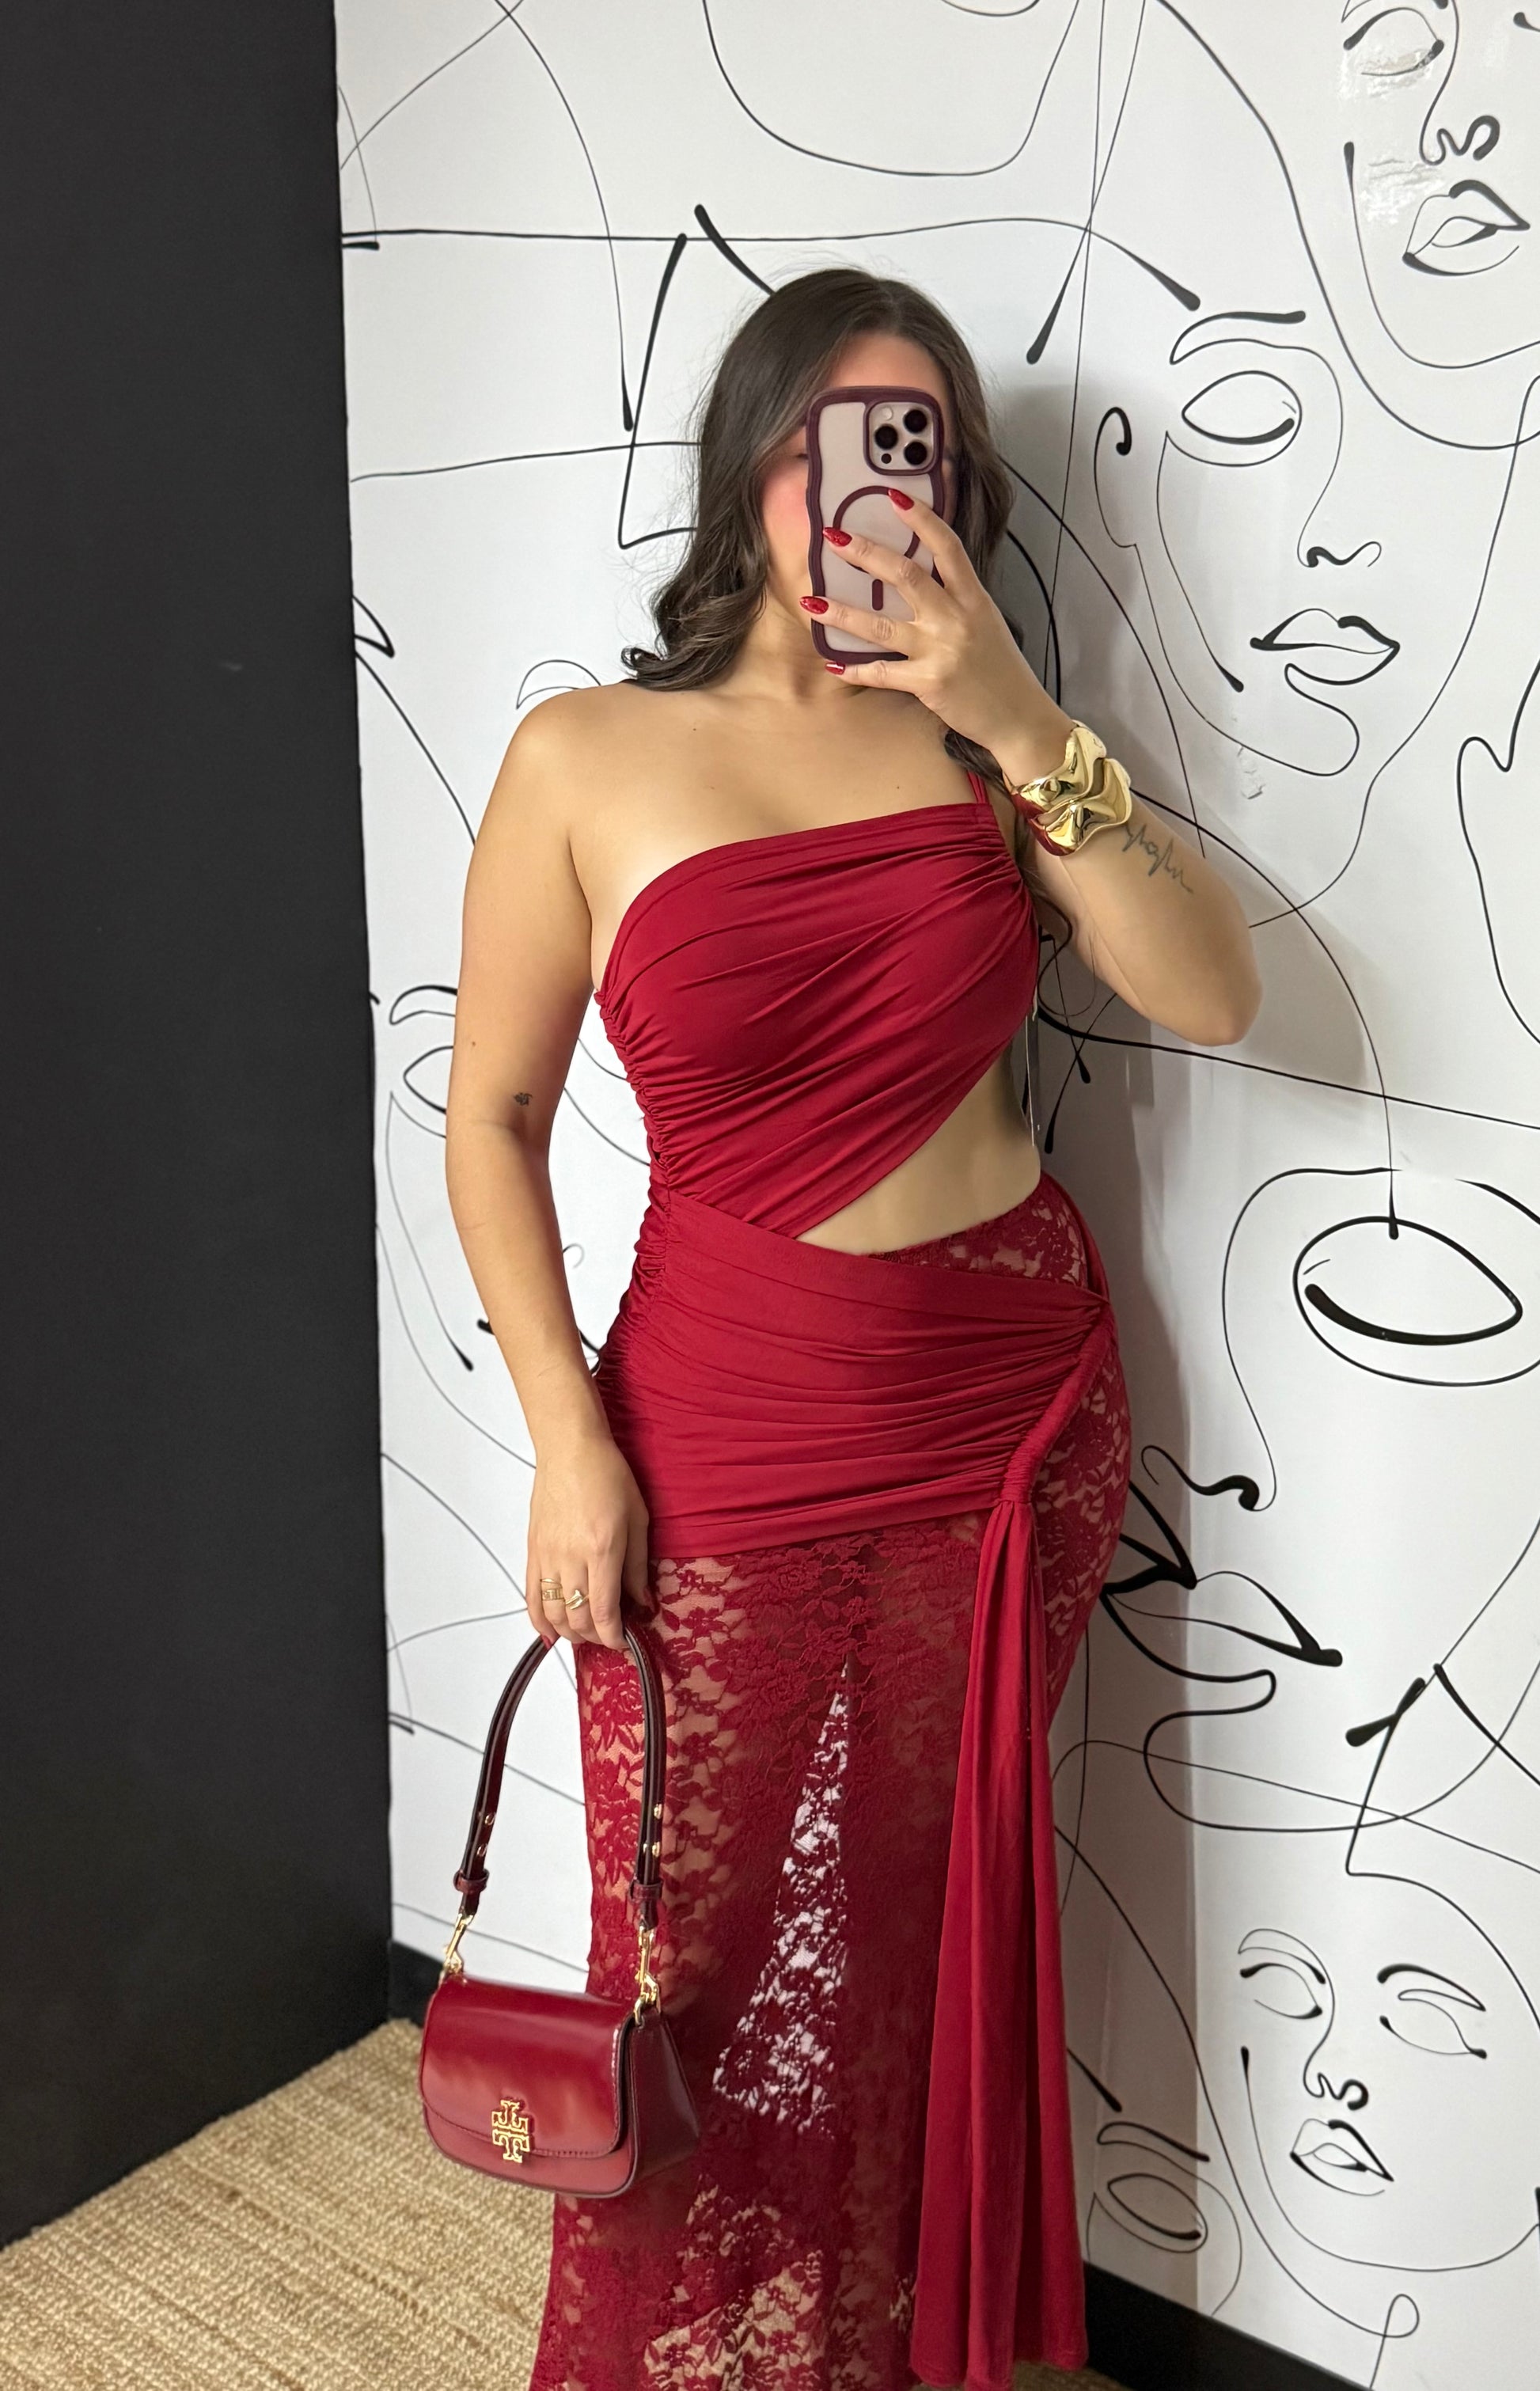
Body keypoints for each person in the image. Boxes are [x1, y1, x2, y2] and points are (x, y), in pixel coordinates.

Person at [443, 268, 1260, 2391]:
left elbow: (1208, 992)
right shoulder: (588, 754)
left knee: (907, 1942)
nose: (887, 495)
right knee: (697, 1968)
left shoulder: (985, 745)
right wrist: (566, 1439)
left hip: (1005, 1428)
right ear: (756, 463)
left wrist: (1022, 723)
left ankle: (884, 2355)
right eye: (845, 444)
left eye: (929, 456)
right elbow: (492, 1123)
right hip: (722, 1431)